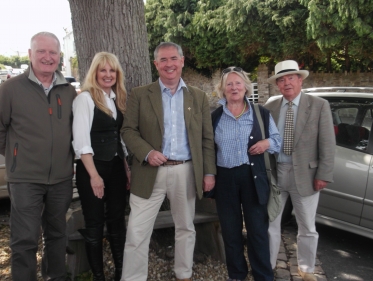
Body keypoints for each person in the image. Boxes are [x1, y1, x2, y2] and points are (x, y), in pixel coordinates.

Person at [120, 42, 216, 281]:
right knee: (136, 231)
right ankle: (133, 278)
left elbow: (206, 138)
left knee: (185, 227)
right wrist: (147, 152)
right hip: (148, 171)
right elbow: (128, 130)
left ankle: (184, 274)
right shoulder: (140, 94)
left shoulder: (199, 96)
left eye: (173, 58)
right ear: (156, 64)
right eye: (163, 60)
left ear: (182, 61)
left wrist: (209, 173)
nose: (169, 64)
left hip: (185, 171)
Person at [0, 32, 76, 281]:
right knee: (25, 239)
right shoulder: (9, 89)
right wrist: (16, 156)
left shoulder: (69, 92)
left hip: (61, 178)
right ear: (30, 55)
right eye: (41, 52)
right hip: (25, 179)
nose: (47, 57)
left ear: (59, 56)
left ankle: (56, 277)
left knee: (57, 234)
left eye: (53, 52)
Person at [265, 60, 335, 281]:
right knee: (271, 224)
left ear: (300, 79)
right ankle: (268, 265)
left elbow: (327, 143)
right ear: (277, 84)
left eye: (291, 78)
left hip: (306, 175)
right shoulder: (270, 107)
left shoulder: (319, 105)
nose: (287, 83)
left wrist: (323, 174)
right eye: (282, 79)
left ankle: (306, 269)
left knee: (306, 226)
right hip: (276, 175)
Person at [211, 66, 281, 281]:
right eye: (229, 84)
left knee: (257, 232)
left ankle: (262, 276)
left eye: (238, 83)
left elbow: (277, 142)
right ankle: (237, 275)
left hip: (253, 178)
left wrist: (265, 143)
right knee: (231, 233)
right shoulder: (214, 116)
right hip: (224, 180)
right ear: (222, 89)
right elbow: (206, 148)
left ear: (246, 87)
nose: (234, 87)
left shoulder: (261, 113)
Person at [72, 52, 131, 281]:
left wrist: (125, 167)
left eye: (112, 70)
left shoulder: (117, 98)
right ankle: (98, 276)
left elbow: (118, 138)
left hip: (116, 167)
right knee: (94, 223)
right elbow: (81, 140)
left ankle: (120, 273)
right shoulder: (85, 99)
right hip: (92, 169)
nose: (108, 75)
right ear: (94, 73)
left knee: (117, 220)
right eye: (103, 70)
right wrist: (94, 176)